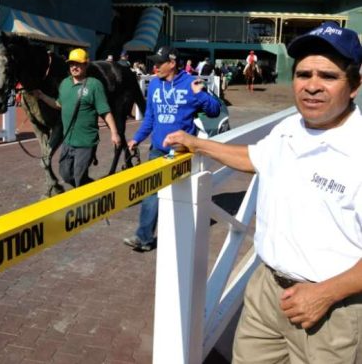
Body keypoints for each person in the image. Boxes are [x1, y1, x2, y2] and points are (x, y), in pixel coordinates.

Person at [163, 22, 362, 363]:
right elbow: (254, 157)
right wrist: (198, 145)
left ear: (355, 85)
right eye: (303, 75)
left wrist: (325, 295)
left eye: (327, 77)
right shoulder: (290, 129)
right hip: (266, 291)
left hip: (331, 307)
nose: (312, 87)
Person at [124, 46, 221, 252]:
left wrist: (201, 94)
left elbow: (214, 110)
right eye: (154, 63)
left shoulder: (190, 83)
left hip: (181, 152)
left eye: (160, 63)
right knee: (150, 193)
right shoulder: (153, 86)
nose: (155, 66)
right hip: (157, 150)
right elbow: (150, 117)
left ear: (172, 63)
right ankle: (144, 237)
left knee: (181, 195)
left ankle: (182, 236)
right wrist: (136, 138)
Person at [34, 48, 121, 188]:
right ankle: (93, 190)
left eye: (78, 64)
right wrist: (42, 96)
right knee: (66, 174)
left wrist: (114, 133)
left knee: (79, 176)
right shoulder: (65, 84)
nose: (74, 67)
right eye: (71, 64)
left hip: (86, 141)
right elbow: (58, 104)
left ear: (86, 64)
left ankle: (85, 202)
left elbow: (105, 111)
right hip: (68, 140)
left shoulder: (94, 85)